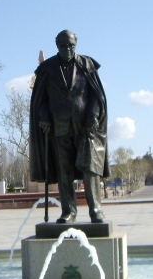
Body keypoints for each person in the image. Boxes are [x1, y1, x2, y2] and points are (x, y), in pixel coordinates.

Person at [29, 30, 109, 224]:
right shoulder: (47, 69)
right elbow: (40, 101)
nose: (67, 49)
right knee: (64, 172)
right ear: (57, 45)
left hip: (86, 128)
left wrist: (93, 117)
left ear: (76, 44)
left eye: (71, 46)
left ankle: (96, 210)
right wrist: (44, 116)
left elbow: (97, 97)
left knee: (90, 170)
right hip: (60, 127)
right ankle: (68, 212)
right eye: (63, 46)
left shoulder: (86, 65)